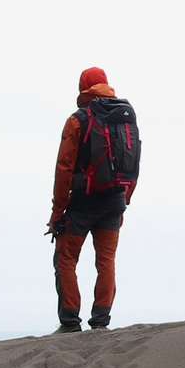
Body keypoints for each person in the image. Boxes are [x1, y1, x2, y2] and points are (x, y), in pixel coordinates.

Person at [48, 66, 140, 332]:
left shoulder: (78, 120)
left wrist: (57, 213)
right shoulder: (125, 117)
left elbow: (64, 168)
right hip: (114, 202)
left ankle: (70, 323)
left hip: (83, 203)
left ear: (82, 87)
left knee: (66, 258)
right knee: (106, 261)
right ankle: (101, 322)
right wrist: (124, 200)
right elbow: (133, 164)